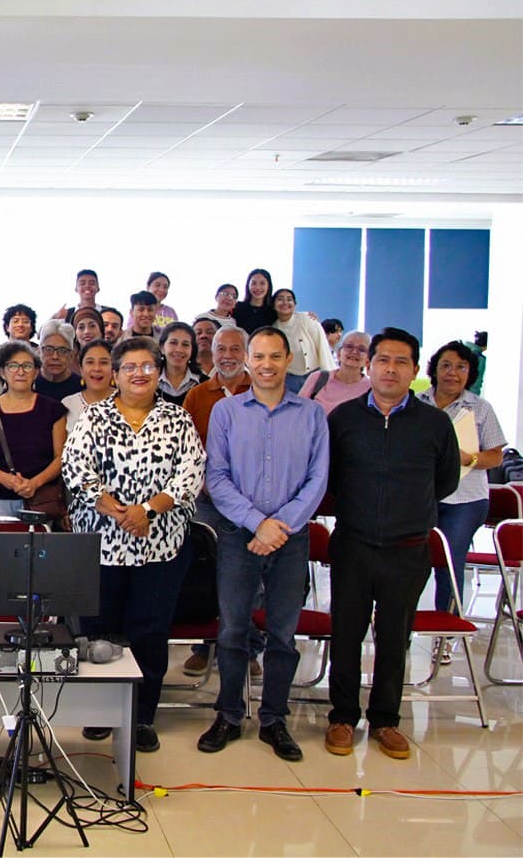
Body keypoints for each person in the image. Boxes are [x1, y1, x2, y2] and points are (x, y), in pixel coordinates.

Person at [62, 336, 205, 752]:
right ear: (115, 374)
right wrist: (122, 512)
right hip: (103, 544)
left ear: (159, 371)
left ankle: (143, 716)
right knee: (98, 633)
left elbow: (190, 473)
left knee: (149, 632)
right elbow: (77, 470)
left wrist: (148, 510)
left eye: (147, 366)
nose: (139, 373)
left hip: (160, 547)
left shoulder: (177, 420)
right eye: (129, 367)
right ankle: (99, 714)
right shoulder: (94, 417)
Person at [325, 327, 459, 760]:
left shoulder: (435, 423)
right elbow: (329, 479)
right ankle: (342, 717)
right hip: (354, 544)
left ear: (416, 371)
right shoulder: (343, 418)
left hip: (408, 548)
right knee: (346, 632)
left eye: (402, 362)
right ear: (369, 364)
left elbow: (446, 480)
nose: (391, 369)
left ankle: (385, 720)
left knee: (394, 637)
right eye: (383, 359)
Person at [198, 327, 329, 762]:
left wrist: (280, 526)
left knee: (282, 635)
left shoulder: (311, 414)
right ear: (248, 361)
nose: (267, 364)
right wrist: (258, 524)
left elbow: (317, 479)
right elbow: (216, 478)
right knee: (233, 629)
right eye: (259, 356)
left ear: (288, 359)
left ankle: (274, 719)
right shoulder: (226, 411)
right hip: (239, 537)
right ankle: (229, 715)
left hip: (290, 540)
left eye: (276, 356)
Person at [180, 325, 254, 676]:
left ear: (247, 353)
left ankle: (249, 649)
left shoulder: (259, 389)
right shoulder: (197, 395)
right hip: (208, 499)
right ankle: (205, 647)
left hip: (253, 503)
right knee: (208, 572)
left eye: (235, 349)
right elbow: (190, 449)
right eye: (221, 348)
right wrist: (208, 484)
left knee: (251, 575)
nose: (227, 355)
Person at [417, 341, 506, 618]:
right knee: (411, 561)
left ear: (470, 373)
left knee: (449, 561)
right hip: (420, 496)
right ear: (434, 370)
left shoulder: (480, 408)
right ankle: (400, 627)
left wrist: (471, 459)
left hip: (465, 499)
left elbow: (496, 456)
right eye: (446, 366)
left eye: (460, 367)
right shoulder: (416, 404)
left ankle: (447, 630)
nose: (452, 373)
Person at [0, 341, 67, 518]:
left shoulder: (53, 410)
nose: (20, 372)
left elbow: (61, 457)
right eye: (13, 366)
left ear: (36, 372)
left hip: (40, 499)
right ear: (2, 372)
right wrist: (4, 479)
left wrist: (35, 483)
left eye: (27, 366)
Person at [272, 289, 334, 392]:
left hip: (315, 376)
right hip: (290, 379)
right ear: (273, 305)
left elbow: (322, 346)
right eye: (280, 299)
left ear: (295, 304)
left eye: (289, 299)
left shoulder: (307, 319)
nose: (285, 303)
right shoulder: (274, 328)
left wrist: (329, 375)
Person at [299, 330, 371, 416]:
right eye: (349, 346)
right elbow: (298, 412)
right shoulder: (318, 378)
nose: (354, 352)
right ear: (339, 354)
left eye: (362, 349)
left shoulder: (371, 389)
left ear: (368, 359)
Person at [64, 340, 114, 431]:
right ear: (81, 369)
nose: (97, 368)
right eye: (90, 362)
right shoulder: (68, 404)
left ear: (113, 369)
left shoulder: (128, 402)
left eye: (104, 362)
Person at [157, 321, 207, 404]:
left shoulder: (204, 384)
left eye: (185, 344)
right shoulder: (149, 381)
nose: (179, 350)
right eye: (173, 343)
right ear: (162, 347)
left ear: (192, 350)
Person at [33, 320, 81, 400]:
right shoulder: (29, 384)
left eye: (62, 350)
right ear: (38, 352)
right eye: (49, 349)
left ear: (71, 356)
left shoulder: (81, 388)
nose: (55, 356)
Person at [233, 268, 276, 334]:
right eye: (254, 283)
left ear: (269, 286)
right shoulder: (237, 308)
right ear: (248, 285)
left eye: (262, 283)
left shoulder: (273, 312)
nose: (257, 287)